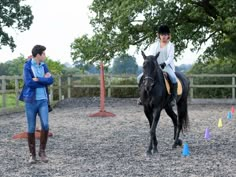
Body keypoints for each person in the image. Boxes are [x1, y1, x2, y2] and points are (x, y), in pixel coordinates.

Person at [19, 45, 54, 164]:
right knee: (31, 128)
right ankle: (32, 155)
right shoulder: (27, 66)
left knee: (45, 125)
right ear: (38, 55)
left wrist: (38, 79)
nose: (45, 56)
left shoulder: (44, 65)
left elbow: (51, 80)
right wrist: (43, 80)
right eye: (44, 54)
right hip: (30, 101)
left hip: (43, 100)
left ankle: (42, 152)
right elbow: (29, 83)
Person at [137, 25, 177, 106]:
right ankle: (141, 97)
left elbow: (171, 57)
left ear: (168, 35)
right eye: (162, 35)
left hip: (166, 66)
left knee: (173, 78)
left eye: (165, 35)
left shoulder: (171, 45)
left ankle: (173, 98)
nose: (164, 37)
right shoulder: (154, 45)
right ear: (159, 35)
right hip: (155, 66)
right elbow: (152, 56)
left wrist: (164, 63)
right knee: (139, 78)